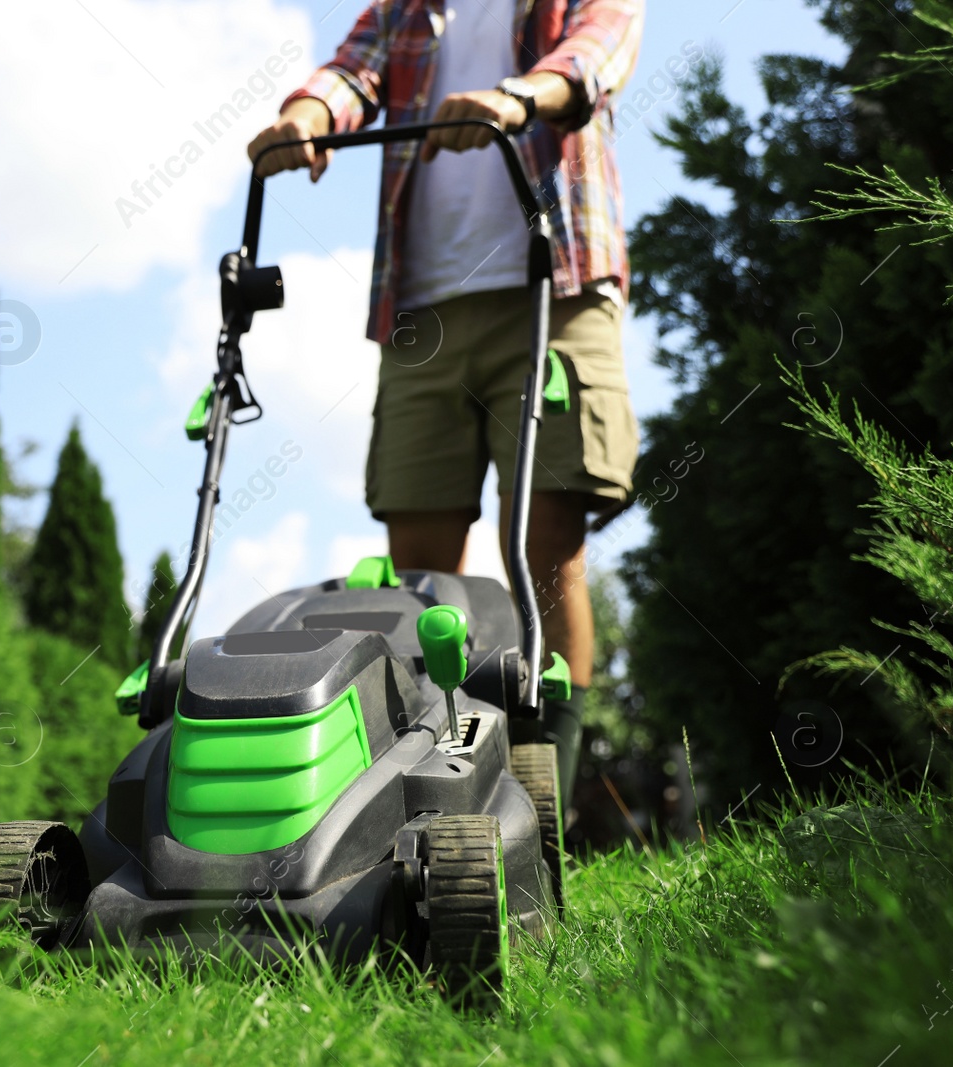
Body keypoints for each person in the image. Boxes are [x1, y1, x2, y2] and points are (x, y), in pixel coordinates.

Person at [248, 0, 644, 809]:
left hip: (552, 284)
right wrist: (309, 111)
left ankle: (544, 804)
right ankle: (436, 786)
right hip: (422, 304)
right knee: (420, 573)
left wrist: (517, 95)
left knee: (544, 550)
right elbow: (352, 71)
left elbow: (599, 52)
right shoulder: (408, 7)